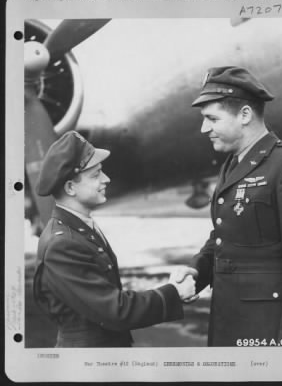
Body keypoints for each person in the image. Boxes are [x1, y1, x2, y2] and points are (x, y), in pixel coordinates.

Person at [33, 130, 195, 347]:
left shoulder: (79, 228)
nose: (106, 179)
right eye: (96, 175)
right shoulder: (63, 244)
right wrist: (173, 293)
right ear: (70, 187)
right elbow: (116, 311)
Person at [173, 66, 282, 347]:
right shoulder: (233, 164)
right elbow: (225, 235)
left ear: (245, 115)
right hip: (229, 322)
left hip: (265, 331)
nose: (204, 129)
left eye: (212, 118)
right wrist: (196, 271)